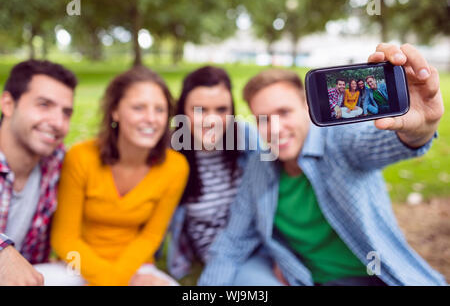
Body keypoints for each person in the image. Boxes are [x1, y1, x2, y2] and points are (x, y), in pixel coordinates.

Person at [198, 43, 447, 286]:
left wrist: (418, 131)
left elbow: (379, 144)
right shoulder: (258, 168)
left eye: (284, 112)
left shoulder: (338, 141)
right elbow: (232, 241)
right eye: (263, 119)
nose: (274, 129)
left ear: (307, 108)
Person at [44, 66, 189, 286]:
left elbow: (150, 237)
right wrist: (107, 280)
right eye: (139, 108)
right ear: (115, 111)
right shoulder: (81, 157)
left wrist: (117, 278)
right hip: (77, 264)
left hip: (135, 267)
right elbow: (65, 238)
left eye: (160, 110)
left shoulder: (175, 167)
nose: (151, 118)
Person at [167, 66, 260, 280]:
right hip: (216, 254)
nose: (212, 121)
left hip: (258, 244)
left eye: (221, 110)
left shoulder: (245, 137)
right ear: (182, 111)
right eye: (200, 110)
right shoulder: (170, 152)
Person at [0, 60, 77, 285]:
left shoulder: (56, 163)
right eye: (44, 105)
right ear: (8, 104)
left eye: (66, 113)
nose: (57, 122)